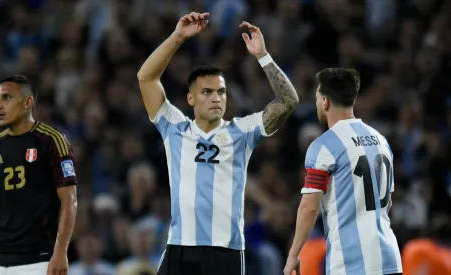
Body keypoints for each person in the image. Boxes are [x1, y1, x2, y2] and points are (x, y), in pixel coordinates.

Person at [137, 11, 299, 275]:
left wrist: (262, 56)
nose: (216, 98)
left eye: (221, 92)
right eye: (207, 92)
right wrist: (177, 37)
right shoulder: (174, 127)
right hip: (179, 247)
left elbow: (288, 101)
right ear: (190, 98)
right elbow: (146, 78)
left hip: (225, 251)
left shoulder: (242, 131)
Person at [284, 68, 403, 275]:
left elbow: (309, 208)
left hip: (351, 263)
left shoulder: (324, 146)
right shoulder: (381, 141)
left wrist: (294, 254)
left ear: (325, 101)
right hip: (389, 260)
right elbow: (388, 203)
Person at [0, 75, 78, 275]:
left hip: (42, 260)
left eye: (7, 98)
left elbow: (69, 200)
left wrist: (61, 251)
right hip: (3, 262)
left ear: (28, 102)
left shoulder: (52, 140)